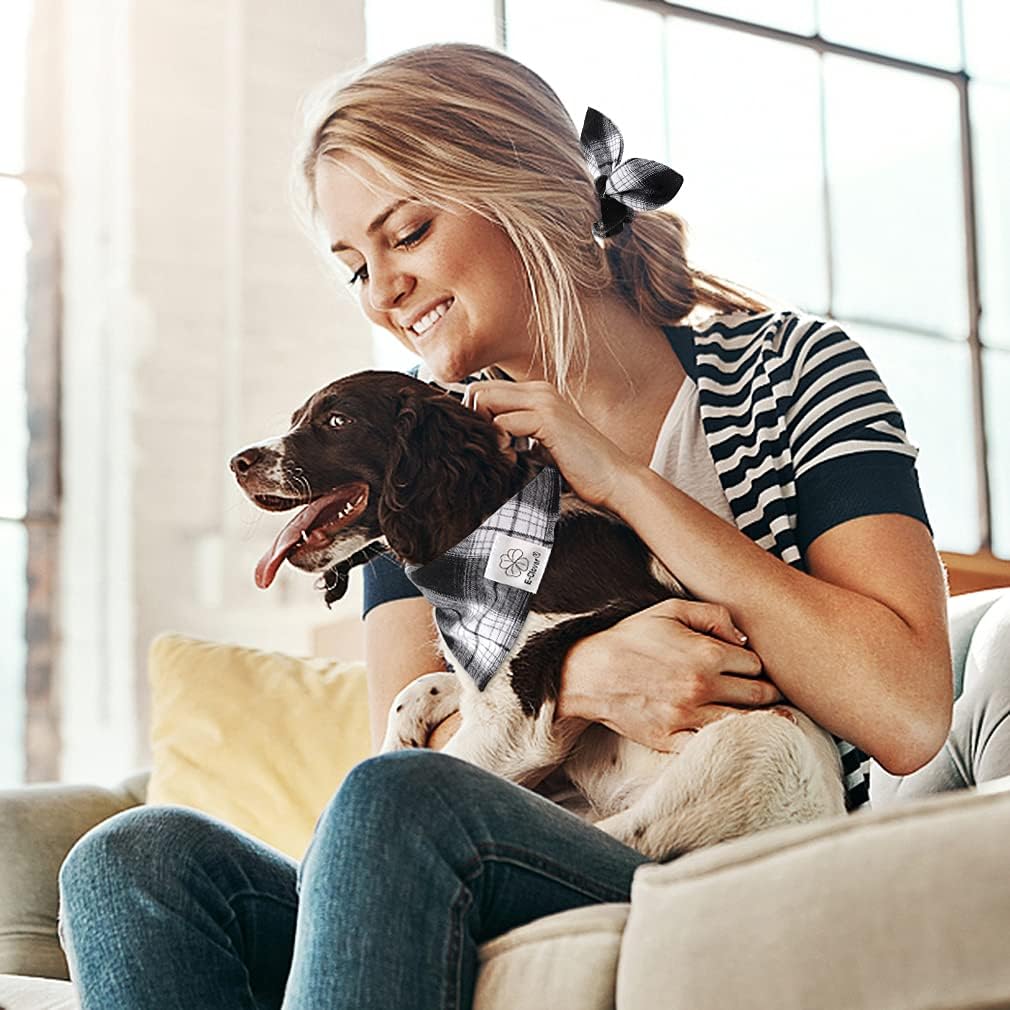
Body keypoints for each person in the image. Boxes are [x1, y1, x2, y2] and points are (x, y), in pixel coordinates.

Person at [56, 41, 1010, 1010]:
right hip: (488, 859)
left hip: (728, 853)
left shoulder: (790, 372)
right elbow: (416, 758)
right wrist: (583, 675)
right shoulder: (423, 454)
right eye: (353, 267)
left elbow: (902, 711)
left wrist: (625, 483)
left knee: (398, 810)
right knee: (136, 858)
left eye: (408, 232)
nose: (381, 291)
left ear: (523, 192)